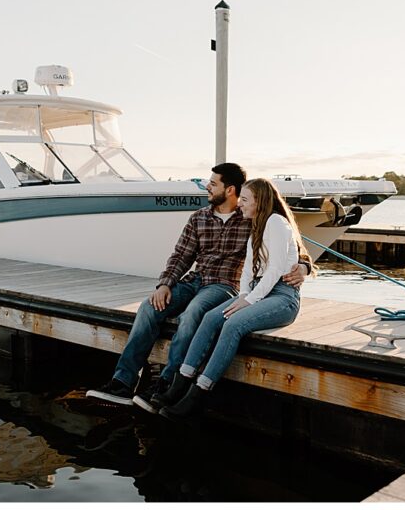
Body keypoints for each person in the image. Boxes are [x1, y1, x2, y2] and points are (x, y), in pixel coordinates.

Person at [86, 163, 310, 413]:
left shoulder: (252, 217)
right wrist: (164, 284)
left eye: (213, 183)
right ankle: (122, 382)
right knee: (149, 308)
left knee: (194, 312)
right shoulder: (199, 217)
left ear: (230, 190)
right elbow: (181, 256)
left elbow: (292, 249)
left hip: (222, 285)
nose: (207, 186)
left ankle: (167, 384)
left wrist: (303, 267)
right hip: (194, 280)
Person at [158, 177, 311, 420]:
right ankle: (179, 383)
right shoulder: (257, 227)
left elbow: (274, 271)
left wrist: (248, 302)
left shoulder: (277, 223)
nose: (240, 204)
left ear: (260, 201)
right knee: (210, 318)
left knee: (233, 324)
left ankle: (198, 393)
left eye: (246, 200)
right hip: (258, 291)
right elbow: (249, 269)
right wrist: (242, 296)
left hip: (282, 297)